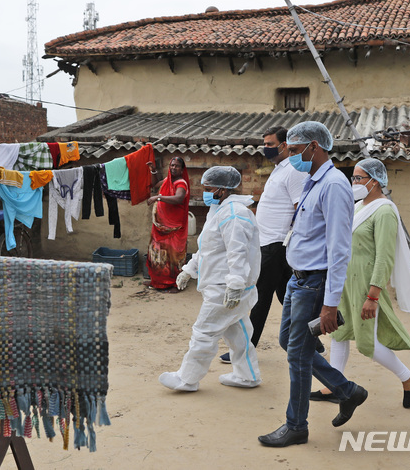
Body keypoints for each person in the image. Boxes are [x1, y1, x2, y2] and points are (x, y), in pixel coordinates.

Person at [258, 121, 368, 448]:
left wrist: (330, 304)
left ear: (314, 147)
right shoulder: (312, 181)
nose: (290, 156)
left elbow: (339, 249)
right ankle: (347, 390)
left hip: (314, 284)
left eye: (294, 150)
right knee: (288, 342)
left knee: (297, 354)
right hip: (298, 280)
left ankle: (296, 426)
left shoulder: (333, 185)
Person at [310, 159, 410, 408]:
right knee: (338, 333)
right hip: (344, 282)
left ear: (376, 181)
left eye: (359, 179)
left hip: (365, 285)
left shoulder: (385, 210)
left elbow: (384, 255)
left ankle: (409, 377)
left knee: (366, 344)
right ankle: (334, 386)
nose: (354, 183)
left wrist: (372, 296)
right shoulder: (358, 206)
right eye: (353, 178)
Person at [158, 166, 261, 391]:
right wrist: (189, 270)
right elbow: (208, 250)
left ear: (222, 190)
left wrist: (235, 285)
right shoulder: (219, 210)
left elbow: (238, 252)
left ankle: (187, 379)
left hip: (226, 286)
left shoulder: (234, 213)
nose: (203, 193)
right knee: (238, 332)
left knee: (204, 331)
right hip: (224, 284)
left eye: (208, 189)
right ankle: (248, 376)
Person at [219, 126, 308, 364]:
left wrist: (292, 240)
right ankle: (313, 338)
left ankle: (246, 347)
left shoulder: (294, 171)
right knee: (287, 295)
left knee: (259, 297)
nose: (265, 148)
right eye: (264, 144)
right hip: (267, 243)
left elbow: (300, 208)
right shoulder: (280, 169)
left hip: (276, 245)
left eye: (270, 144)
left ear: (284, 145)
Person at [145, 157, 190, 291]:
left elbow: (179, 198)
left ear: (182, 169)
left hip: (174, 227)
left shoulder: (181, 183)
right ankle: (158, 281)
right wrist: (153, 171)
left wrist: (158, 197)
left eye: (176, 166)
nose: (173, 168)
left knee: (173, 256)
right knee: (157, 254)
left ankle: (175, 284)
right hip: (161, 226)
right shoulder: (168, 180)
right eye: (172, 165)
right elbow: (156, 184)